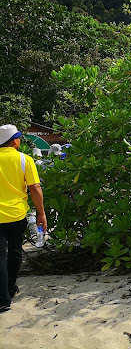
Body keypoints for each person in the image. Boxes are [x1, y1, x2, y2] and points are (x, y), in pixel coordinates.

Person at [0, 124, 47, 313]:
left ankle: (3, 299)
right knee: (15, 251)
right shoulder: (24, 159)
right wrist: (41, 213)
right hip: (17, 214)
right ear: (14, 141)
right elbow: (35, 187)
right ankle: (10, 289)